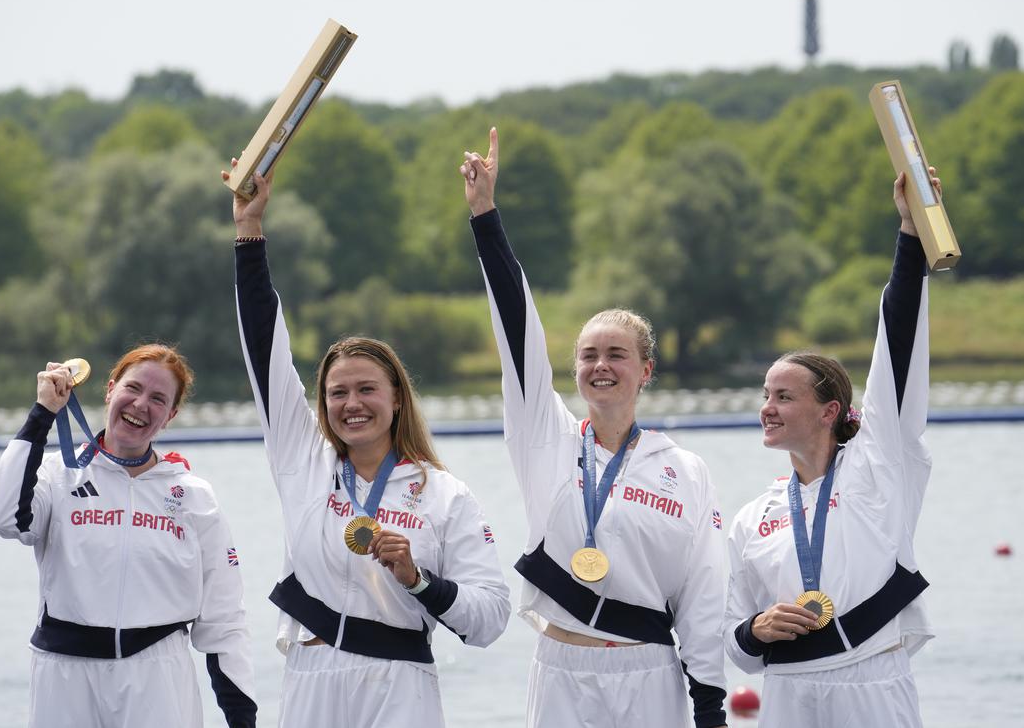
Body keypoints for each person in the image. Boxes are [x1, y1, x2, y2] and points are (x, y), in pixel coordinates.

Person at [224, 161, 510, 727]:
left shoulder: (445, 495)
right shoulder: (303, 462)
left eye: (366, 390)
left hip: (401, 685)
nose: (351, 404)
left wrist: (419, 581)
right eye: (337, 393)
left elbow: (490, 620)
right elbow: (265, 354)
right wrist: (249, 231)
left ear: (397, 397)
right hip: (314, 678)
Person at [460, 128, 728, 728]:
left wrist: (709, 702)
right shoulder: (545, 440)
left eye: (616, 354)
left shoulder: (684, 470)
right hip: (561, 670)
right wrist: (485, 216)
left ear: (646, 370)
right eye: (588, 355)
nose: (600, 366)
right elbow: (516, 333)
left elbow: (704, 592)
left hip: (650, 674)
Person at [722, 169, 941, 726]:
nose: (767, 407)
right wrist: (756, 629)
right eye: (765, 394)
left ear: (829, 412)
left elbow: (897, 350)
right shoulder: (752, 519)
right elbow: (732, 641)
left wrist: (909, 235)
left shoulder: (879, 466)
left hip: (871, 682)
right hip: (787, 692)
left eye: (784, 396)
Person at [0, 344, 257, 728]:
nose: (141, 405)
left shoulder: (194, 496)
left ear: (171, 415)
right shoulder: (58, 475)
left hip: (157, 677)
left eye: (158, 399)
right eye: (133, 388)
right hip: (65, 676)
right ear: (110, 390)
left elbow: (223, 620)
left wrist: (242, 718)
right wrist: (43, 415)